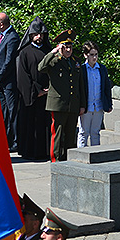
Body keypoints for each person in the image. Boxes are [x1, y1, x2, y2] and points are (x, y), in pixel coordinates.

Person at [38, 30, 82, 162]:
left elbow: (80, 85)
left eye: (70, 47)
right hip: (58, 104)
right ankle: (55, 159)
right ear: (60, 47)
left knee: (70, 135)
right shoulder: (54, 61)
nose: (68, 49)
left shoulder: (76, 62)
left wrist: (82, 105)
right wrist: (53, 52)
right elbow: (41, 67)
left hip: (73, 104)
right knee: (57, 134)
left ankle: (69, 158)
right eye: (65, 47)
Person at [15, 19, 51, 161]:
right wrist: (37, 91)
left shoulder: (48, 51)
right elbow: (22, 76)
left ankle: (45, 151)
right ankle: (30, 152)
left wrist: (48, 89)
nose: (39, 37)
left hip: (48, 94)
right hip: (30, 96)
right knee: (31, 124)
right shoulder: (24, 52)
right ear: (30, 35)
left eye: (41, 34)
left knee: (45, 125)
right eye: (36, 34)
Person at [0, 12, 21, 149]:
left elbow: (9, 61)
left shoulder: (12, 38)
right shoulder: (1, 36)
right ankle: (6, 138)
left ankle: (15, 141)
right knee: (3, 111)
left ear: (2, 24)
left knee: (12, 111)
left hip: (8, 81)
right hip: (1, 81)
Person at [77, 41, 112, 147]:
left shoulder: (102, 69)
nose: (94, 57)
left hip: (98, 106)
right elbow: (79, 89)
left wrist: (109, 104)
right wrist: (80, 106)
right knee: (84, 132)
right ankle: (81, 153)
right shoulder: (81, 69)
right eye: (91, 54)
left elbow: (106, 87)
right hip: (86, 107)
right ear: (85, 55)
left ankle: (95, 154)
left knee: (95, 132)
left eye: (96, 54)